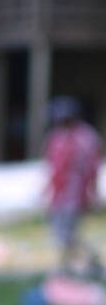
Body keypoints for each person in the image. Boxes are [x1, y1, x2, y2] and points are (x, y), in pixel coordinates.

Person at [44, 96, 102, 274]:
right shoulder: (56, 137)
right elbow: (53, 167)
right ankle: (76, 264)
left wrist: (90, 192)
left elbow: (92, 167)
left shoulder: (86, 136)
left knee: (66, 233)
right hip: (59, 194)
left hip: (75, 194)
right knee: (60, 233)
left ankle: (72, 266)